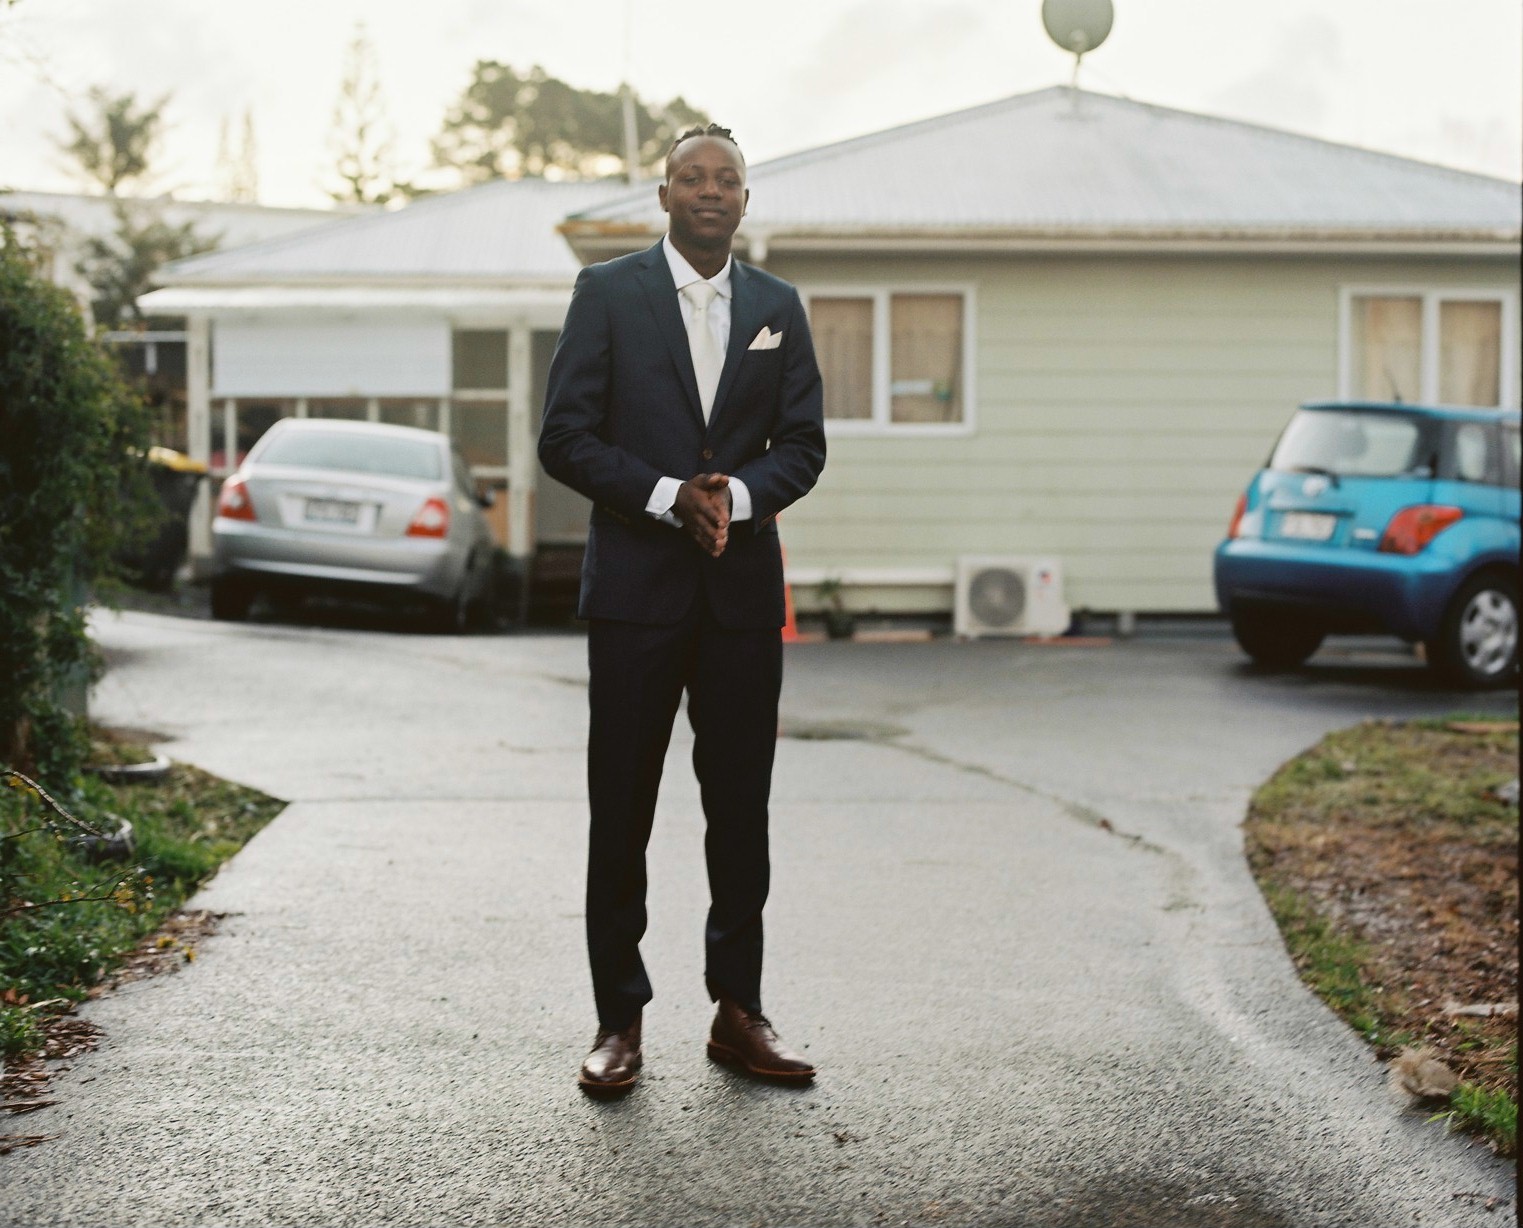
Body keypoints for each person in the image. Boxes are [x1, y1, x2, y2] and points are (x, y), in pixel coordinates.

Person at [538, 124, 827, 1095]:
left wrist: (735, 501)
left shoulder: (778, 308)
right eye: (692, 178)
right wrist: (669, 495)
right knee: (618, 809)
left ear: (744, 201)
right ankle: (618, 1017)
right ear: (662, 196)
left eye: (727, 180)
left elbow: (802, 445)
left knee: (738, 810)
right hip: (633, 596)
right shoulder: (607, 295)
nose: (710, 192)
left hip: (740, 599)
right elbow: (564, 437)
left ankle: (736, 1011)